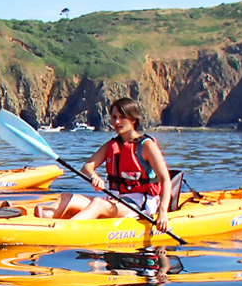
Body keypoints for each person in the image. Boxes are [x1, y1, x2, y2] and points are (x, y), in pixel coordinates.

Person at [35, 97, 171, 232]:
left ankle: (62, 231)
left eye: (121, 117)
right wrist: (94, 177)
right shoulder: (112, 145)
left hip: (140, 205)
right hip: (115, 201)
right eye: (114, 117)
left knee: (99, 203)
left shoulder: (147, 146)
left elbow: (165, 179)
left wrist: (163, 212)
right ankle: (45, 218)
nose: (116, 122)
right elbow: (87, 167)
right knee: (67, 197)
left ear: (133, 119)